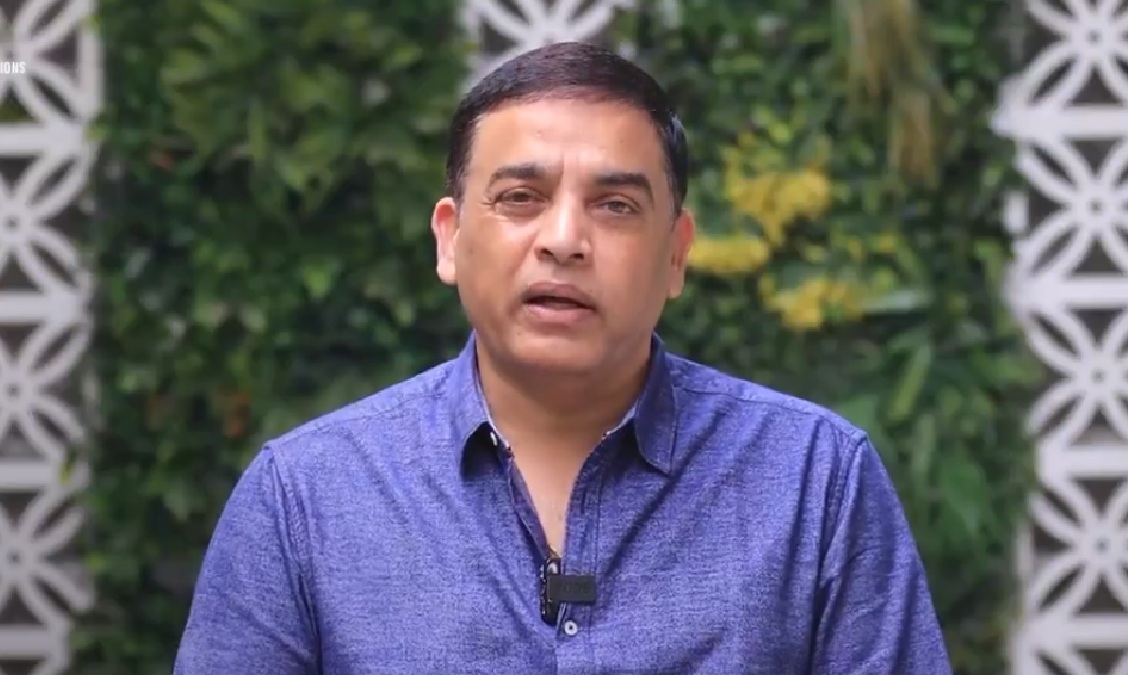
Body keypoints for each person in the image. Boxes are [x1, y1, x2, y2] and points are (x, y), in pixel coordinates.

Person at [174, 41, 953, 674]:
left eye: (615, 205)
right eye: (520, 198)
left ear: (676, 254)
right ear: (450, 238)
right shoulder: (305, 498)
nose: (564, 239)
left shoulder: (815, 480)